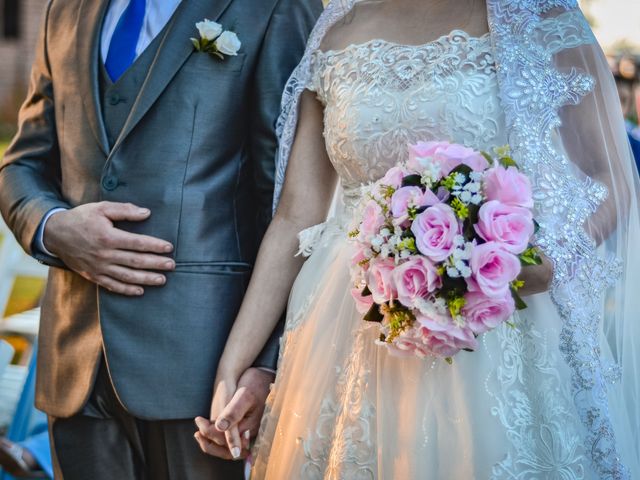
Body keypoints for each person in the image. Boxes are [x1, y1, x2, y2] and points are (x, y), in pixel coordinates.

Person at [196, 0, 640, 478]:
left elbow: (608, 177)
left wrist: (541, 263)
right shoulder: (337, 26)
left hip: (496, 321)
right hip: (342, 327)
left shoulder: (538, 15)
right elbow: (293, 218)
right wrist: (231, 369)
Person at [0, 0, 321, 479]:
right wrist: (53, 226)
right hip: (73, 364)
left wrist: (272, 361)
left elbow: (292, 204)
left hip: (208, 374)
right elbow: (22, 163)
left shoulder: (274, 6)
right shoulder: (64, 9)